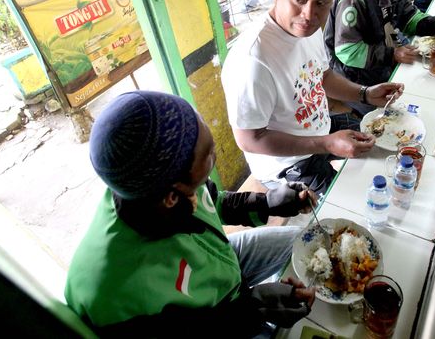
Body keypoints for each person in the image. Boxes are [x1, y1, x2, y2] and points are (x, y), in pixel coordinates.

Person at [65, 90, 316, 337]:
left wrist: (268, 204)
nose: (215, 151)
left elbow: (212, 203)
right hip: (205, 316)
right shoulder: (117, 293)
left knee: (309, 244)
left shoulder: (155, 182)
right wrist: (255, 310)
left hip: (217, 262)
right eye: (208, 153)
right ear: (172, 197)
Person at [221, 0, 404, 194]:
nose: (309, 14)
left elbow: (323, 76)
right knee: (347, 203)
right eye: (299, 0)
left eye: (321, 2)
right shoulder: (252, 60)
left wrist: (365, 93)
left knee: (383, 143)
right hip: (287, 163)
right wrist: (326, 144)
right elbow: (250, 139)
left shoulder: (309, 28)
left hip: (320, 126)